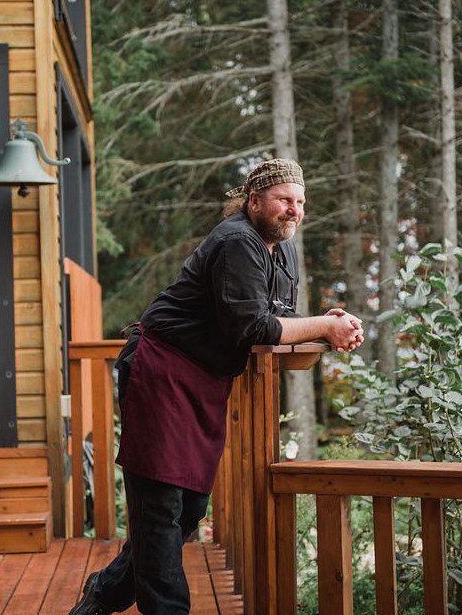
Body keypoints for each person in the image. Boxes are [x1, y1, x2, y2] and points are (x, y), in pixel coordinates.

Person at [69, 159, 364, 615]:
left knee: (188, 510)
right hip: (162, 370)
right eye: (284, 200)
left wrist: (330, 323)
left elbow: (281, 320)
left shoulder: (283, 250)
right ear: (254, 201)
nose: (293, 210)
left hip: (204, 382)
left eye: (300, 202)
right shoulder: (236, 240)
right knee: (160, 507)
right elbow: (251, 327)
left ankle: (104, 592)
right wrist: (325, 327)